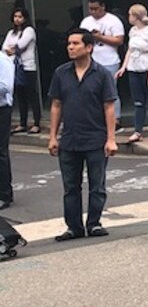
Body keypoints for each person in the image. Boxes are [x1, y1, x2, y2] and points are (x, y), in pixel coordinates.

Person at [48, 29, 118, 241]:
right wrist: (52, 136)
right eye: (69, 43)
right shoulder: (61, 73)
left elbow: (109, 107)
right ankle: (74, 227)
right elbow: (56, 105)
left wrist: (111, 138)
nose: (71, 47)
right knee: (71, 187)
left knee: (97, 185)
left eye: (76, 43)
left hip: (95, 139)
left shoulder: (102, 74)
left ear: (89, 47)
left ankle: (94, 223)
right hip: (69, 140)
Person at [115, 4, 148, 145]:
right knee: (138, 102)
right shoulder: (133, 31)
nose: (129, 18)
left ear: (136, 16)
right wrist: (124, 67)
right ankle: (138, 131)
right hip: (134, 69)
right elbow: (130, 50)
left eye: (130, 15)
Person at [80, 0, 125, 130]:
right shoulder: (86, 22)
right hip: (90, 61)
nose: (93, 12)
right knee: (91, 91)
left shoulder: (113, 20)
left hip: (109, 61)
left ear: (103, 7)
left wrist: (100, 37)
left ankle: (115, 120)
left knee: (111, 91)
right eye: (90, 9)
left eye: (96, 9)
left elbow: (119, 40)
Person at [3, 7, 40, 134]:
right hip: (14, 67)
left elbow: (20, 46)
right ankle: (23, 123)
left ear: (25, 18)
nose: (17, 19)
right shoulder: (11, 33)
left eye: (20, 17)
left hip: (27, 67)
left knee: (31, 95)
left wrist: (13, 49)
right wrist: (12, 50)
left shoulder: (29, 31)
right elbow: (5, 49)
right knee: (20, 95)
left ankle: (36, 123)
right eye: (15, 16)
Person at [0, 50, 14, 210]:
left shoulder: (3, 60)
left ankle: (5, 194)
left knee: (1, 152)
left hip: (2, 109)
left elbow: (5, 87)